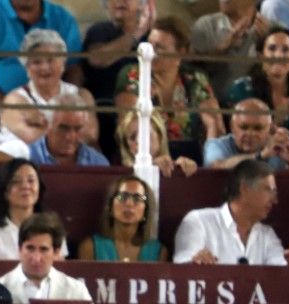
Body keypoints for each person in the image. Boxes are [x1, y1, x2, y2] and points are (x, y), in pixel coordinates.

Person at [114, 14, 221, 162]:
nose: (150, 52)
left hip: (190, 162)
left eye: (159, 47)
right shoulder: (132, 75)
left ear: (181, 52)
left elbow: (215, 126)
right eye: (149, 44)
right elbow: (127, 129)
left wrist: (209, 165)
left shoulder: (195, 78)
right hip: (146, 158)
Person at [0, 0, 84, 105]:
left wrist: (63, 104)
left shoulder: (63, 18)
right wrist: (7, 106)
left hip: (54, 108)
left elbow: (73, 68)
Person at [224, 25, 289, 157]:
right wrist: (276, 121)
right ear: (260, 56)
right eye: (272, 48)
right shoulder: (241, 89)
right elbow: (240, 142)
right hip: (253, 160)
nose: (279, 55)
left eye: (286, 50)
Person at [172, 158, 289, 265]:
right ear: (244, 189)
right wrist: (195, 263)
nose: (275, 200)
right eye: (269, 190)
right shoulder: (198, 222)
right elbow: (180, 272)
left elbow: (279, 276)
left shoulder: (267, 235)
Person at [84, 0, 157, 158]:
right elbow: (98, 59)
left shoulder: (153, 35)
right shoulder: (100, 30)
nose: (119, 1)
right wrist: (135, 34)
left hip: (146, 108)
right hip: (106, 112)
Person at [1, 28, 98, 146]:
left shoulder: (82, 95)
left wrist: (44, 126)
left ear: (63, 63)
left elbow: (90, 136)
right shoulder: (15, 100)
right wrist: (70, 132)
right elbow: (29, 138)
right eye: (37, 62)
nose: (45, 67)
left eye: (50, 60)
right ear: (26, 67)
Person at [0, 212, 93, 303]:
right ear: (20, 249)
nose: (36, 258)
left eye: (43, 249)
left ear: (56, 252)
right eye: (30, 248)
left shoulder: (76, 291)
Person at [0, 160, 54, 260]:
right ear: (5, 191)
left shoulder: (52, 228)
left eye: (31, 180)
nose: (25, 186)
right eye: (16, 181)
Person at [190, 0, 269, 101]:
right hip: (214, 109)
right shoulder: (205, 27)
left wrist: (268, 45)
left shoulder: (273, 31)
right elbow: (191, 72)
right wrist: (222, 48)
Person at [78, 173, 165, 262]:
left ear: (146, 210)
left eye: (138, 198)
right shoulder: (90, 247)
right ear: (110, 206)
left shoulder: (158, 251)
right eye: (122, 196)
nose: (129, 203)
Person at [203, 96, 289, 169]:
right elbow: (216, 166)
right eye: (244, 127)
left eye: (257, 128)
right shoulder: (216, 145)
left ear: (269, 130)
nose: (250, 134)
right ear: (232, 127)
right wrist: (261, 156)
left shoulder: (277, 147)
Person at [116, 107, 198, 174]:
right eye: (132, 137)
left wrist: (181, 170)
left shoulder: (176, 166)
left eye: (145, 133)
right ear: (127, 146)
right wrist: (150, 168)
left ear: (159, 135)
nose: (139, 140)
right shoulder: (121, 177)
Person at [28, 108, 109, 166]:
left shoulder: (98, 163)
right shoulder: (26, 156)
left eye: (77, 129)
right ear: (47, 125)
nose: (70, 137)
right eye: (63, 128)